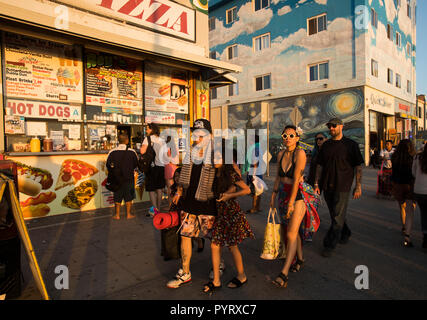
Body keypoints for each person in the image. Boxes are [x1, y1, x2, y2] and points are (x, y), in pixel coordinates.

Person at [166, 119, 217, 289]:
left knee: (211, 238)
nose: (197, 138)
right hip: (189, 202)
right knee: (185, 236)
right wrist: (179, 192)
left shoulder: (216, 154)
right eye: (195, 134)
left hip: (208, 203)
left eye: (201, 134)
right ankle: (185, 272)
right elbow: (183, 174)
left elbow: (227, 177)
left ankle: (219, 265)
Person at [270, 125, 320, 288]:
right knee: (291, 230)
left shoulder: (300, 153)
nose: (288, 139)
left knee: (291, 234)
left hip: (297, 195)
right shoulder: (281, 154)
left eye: (291, 136)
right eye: (285, 135)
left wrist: (291, 203)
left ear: (297, 138)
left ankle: (283, 274)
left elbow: (297, 178)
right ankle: (300, 259)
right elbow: (278, 176)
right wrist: (273, 196)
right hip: (283, 194)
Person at [203, 140, 254, 294]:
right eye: (213, 157)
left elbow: (247, 190)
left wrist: (230, 195)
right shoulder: (213, 172)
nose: (215, 160)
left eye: (218, 157)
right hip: (219, 214)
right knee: (214, 245)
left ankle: (242, 275)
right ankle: (216, 281)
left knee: (232, 246)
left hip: (231, 213)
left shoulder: (230, 172)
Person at [314, 118, 364, 258]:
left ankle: (329, 244)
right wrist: (317, 184)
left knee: (337, 216)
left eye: (334, 126)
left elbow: (358, 167)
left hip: (343, 186)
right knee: (335, 214)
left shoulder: (350, 145)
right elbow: (320, 165)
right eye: (329, 126)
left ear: (341, 126)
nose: (331, 128)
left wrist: (358, 186)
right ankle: (346, 232)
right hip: (326, 185)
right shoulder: (326, 145)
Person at [107, 134, 140, 220]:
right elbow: (136, 164)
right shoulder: (132, 152)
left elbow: (108, 165)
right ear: (127, 141)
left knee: (117, 197)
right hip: (129, 178)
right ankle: (128, 214)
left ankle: (117, 215)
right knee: (128, 197)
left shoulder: (112, 152)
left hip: (117, 179)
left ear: (118, 140)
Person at [391, 139, 416, 247]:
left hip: (398, 184)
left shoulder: (395, 157)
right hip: (410, 185)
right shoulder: (413, 158)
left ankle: (404, 226)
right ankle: (407, 229)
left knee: (401, 206)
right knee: (410, 208)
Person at [140, 123, 166, 213]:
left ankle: (154, 210)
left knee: (151, 189)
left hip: (152, 167)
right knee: (159, 189)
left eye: (147, 129)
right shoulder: (162, 140)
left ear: (151, 129)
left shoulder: (147, 139)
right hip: (161, 167)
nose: (146, 131)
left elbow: (142, 151)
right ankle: (158, 208)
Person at [244, 134, 264, 214]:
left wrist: (253, 175)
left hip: (255, 171)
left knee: (255, 190)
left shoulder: (254, 149)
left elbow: (255, 162)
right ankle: (257, 207)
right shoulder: (259, 148)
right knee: (259, 190)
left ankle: (254, 208)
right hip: (259, 171)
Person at [412, 143, 427, 250]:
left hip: (419, 191)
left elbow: (413, 172)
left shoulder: (417, 157)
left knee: (424, 214)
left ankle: (425, 238)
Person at [165, 136, 179, 208]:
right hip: (176, 168)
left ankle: (170, 205)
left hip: (169, 167)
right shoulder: (176, 148)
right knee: (175, 188)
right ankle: (175, 204)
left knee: (169, 189)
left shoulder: (166, 148)